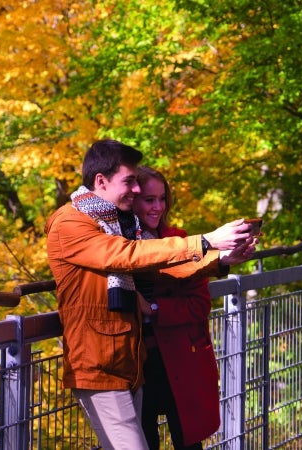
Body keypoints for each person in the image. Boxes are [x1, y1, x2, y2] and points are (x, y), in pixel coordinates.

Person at [45, 139, 256, 450]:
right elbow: (126, 255)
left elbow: (155, 270)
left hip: (130, 362)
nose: (135, 189)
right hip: (98, 368)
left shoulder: (114, 223)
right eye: (129, 181)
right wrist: (207, 240)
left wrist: (220, 259)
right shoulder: (71, 223)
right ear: (101, 181)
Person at [133, 166, 222, 450]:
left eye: (162, 199)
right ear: (131, 199)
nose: (157, 207)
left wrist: (153, 308)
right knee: (142, 441)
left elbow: (199, 304)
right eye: (149, 199)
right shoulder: (112, 246)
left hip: (178, 359)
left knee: (188, 443)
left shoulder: (181, 242)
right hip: (135, 364)